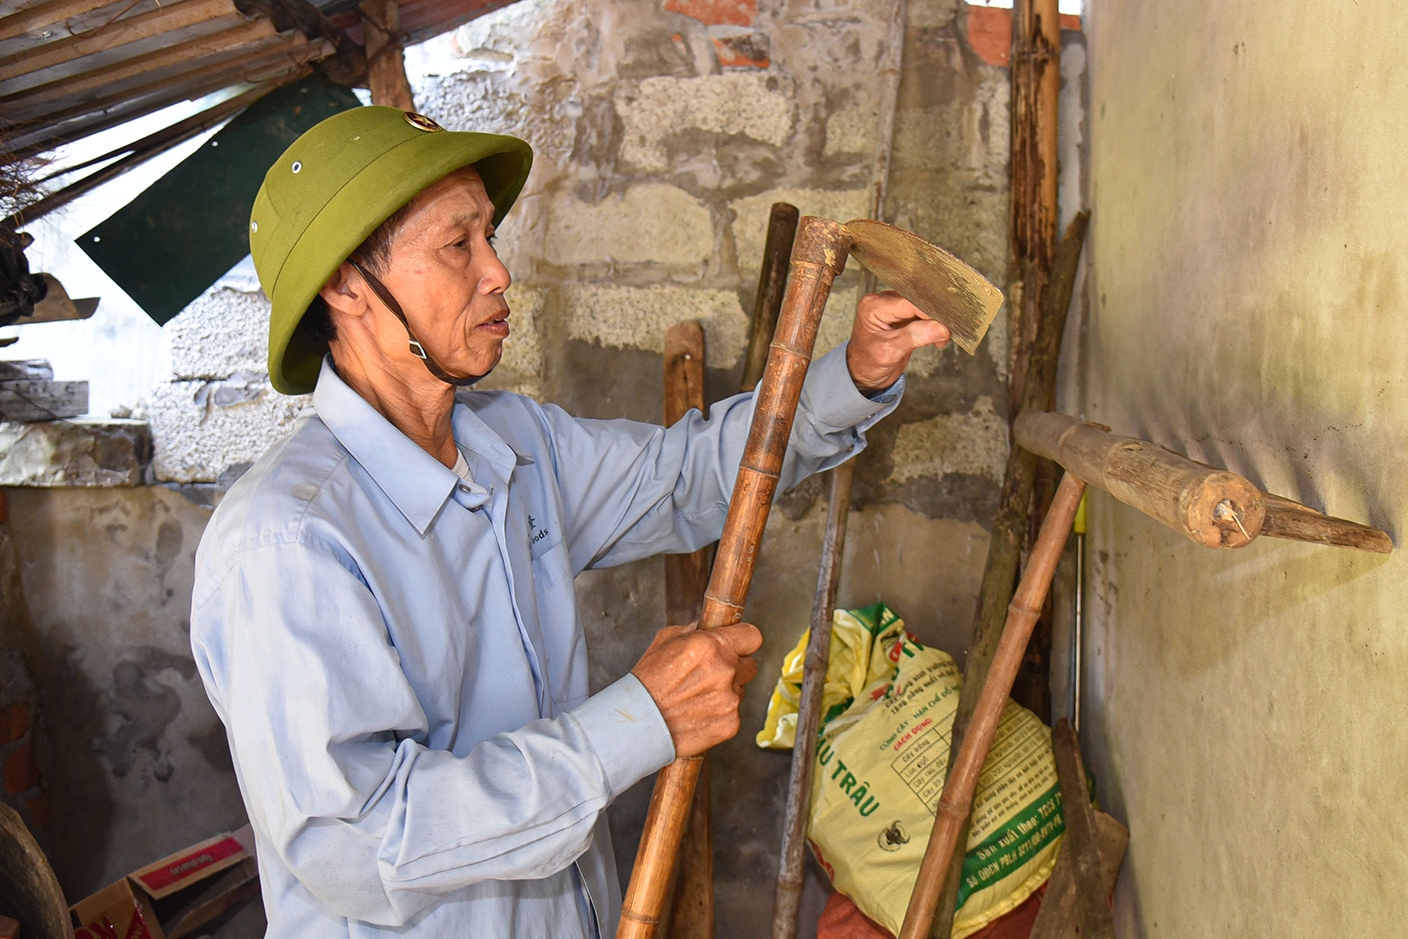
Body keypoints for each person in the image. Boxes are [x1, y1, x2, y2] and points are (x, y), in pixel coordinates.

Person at [189, 105, 949, 939]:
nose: (498, 272)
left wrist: (857, 372)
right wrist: (636, 722)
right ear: (345, 286)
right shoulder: (286, 543)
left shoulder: (513, 444)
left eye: (490, 236)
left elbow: (689, 475)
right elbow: (363, 843)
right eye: (458, 245)